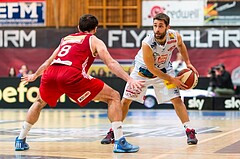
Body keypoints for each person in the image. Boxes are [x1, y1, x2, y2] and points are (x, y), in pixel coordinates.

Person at [14, 14, 144, 153]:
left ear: (78, 27)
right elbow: (110, 63)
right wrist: (129, 79)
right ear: (95, 29)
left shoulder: (66, 39)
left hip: (50, 73)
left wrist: (35, 75)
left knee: (39, 102)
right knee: (114, 96)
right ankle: (119, 141)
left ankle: (20, 140)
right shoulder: (94, 40)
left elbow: (48, 61)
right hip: (71, 74)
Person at [101, 13, 199, 145]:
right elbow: (152, 69)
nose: (157, 29)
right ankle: (113, 132)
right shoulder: (147, 43)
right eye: (155, 26)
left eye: (160, 26)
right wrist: (172, 79)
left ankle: (189, 131)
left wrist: (188, 62)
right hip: (142, 74)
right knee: (125, 102)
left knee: (177, 99)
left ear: (167, 27)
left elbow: (181, 45)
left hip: (164, 70)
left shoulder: (174, 36)